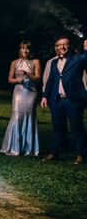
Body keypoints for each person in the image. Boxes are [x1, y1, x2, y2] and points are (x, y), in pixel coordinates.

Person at [41, 36, 87, 164]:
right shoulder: (54, 63)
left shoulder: (76, 59)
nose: (62, 47)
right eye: (59, 45)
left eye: (64, 44)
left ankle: (80, 153)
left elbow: (85, 58)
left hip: (73, 99)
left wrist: (86, 49)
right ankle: (55, 152)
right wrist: (45, 96)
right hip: (56, 100)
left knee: (77, 127)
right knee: (57, 127)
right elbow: (50, 81)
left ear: (70, 46)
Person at [1, 40, 41, 156]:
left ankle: (29, 148)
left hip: (31, 92)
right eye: (23, 48)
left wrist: (27, 74)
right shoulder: (14, 62)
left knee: (30, 117)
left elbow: (38, 78)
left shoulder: (35, 62)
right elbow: (10, 79)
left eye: (27, 48)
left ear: (30, 50)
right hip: (19, 91)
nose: (25, 50)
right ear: (20, 49)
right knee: (17, 116)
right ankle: (14, 147)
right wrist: (17, 80)